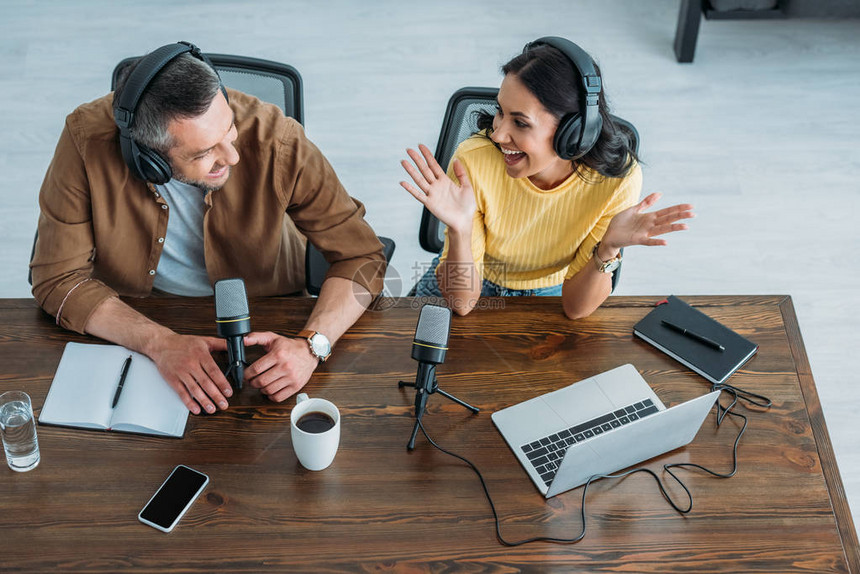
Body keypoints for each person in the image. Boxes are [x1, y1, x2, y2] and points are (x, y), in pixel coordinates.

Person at [30, 42, 386, 415]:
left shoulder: (277, 138)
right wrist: (158, 342)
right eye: (204, 154)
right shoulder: (85, 138)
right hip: (140, 316)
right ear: (150, 159)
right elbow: (57, 279)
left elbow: (362, 256)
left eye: (229, 130)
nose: (232, 157)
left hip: (267, 318)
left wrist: (312, 344)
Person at [401, 37, 693, 318]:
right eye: (500, 112)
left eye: (520, 122)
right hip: (472, 277)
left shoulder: (616, 180)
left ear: (574, 132)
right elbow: (462, 304)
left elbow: (576, 309)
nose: (498, 133)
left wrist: (608, 249)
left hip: (551, 289)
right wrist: (460, 229)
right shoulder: (472, 162)